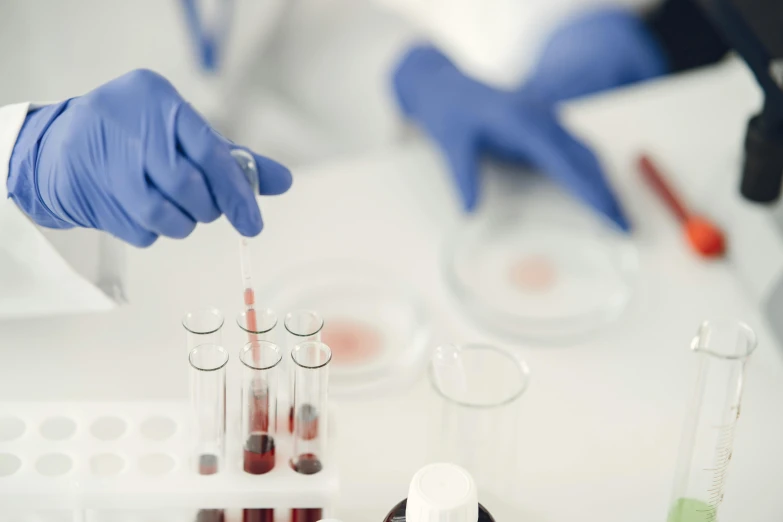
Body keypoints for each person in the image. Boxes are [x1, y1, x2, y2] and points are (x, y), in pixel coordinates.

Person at [0, 0, 730, 307]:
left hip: (286, 227)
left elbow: (268, 25)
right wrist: (24, 156)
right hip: (51, 312)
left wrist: (410, 70)